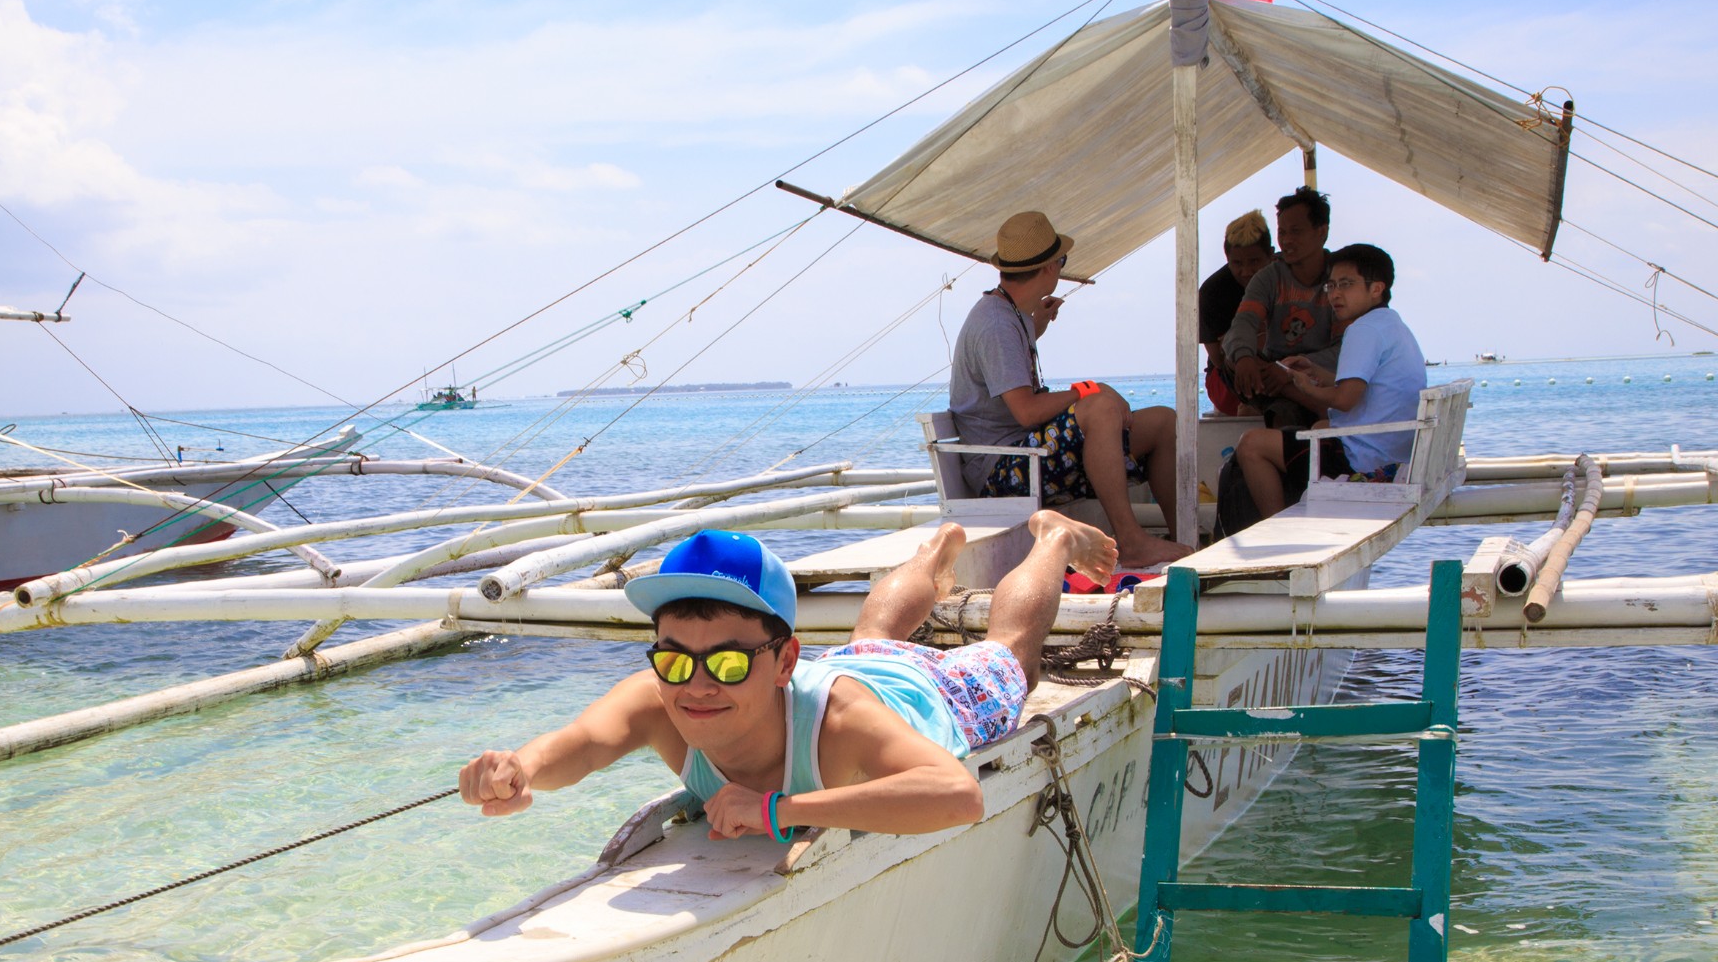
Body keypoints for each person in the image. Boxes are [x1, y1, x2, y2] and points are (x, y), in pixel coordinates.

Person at [458, 514, 1119, 840]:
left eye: (725, 661)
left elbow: (956, 795)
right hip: (854, 667)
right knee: (871, 639)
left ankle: (1052, 539)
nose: (695, 686)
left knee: (1010, 655)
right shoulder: (659, 701)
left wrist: (778, 810)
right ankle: (931, 554)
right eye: (674, 659)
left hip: (925, 696)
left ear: (783, 661)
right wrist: (515, 767)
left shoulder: (838, 722)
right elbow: (578, 746)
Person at [948, 210, 1189, 568]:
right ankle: (1132, 542)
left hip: (1025, 455)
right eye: (1061, 261)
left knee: (1163, 422)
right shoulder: (996, 324)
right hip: (1003, 470)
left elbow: (1012, 364)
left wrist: (1035, 325)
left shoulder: (1010, 315)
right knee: (1100, 406)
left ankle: (1180, 536)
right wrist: (1086, 390)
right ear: (1048, 268)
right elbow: (1026, 412)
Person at [1231, 244, 1427, 519]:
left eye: (1346, 285)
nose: (1335, 294)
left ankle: (1274, 529)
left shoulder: (1363, 330)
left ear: (1376, 288)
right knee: (1320, 425)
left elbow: (1345, 400)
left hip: (1366, 462)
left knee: (1251, 444)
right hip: (1393, 451)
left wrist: (1302, 385)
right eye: (1331, 285)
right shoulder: (1391, 324)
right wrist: (1314, 371)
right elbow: (1359, 386)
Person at [1220, 185, 1339, 431]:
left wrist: (1290, 371)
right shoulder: (1269, 277)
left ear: (1322, 232)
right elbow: (1243, 323)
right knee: (1236, 360)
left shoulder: (1340, 276)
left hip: (1321, 372)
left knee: (1284, 409)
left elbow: (1346, 349)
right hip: (1272, 373)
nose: (1286, 240)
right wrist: (1244, 357)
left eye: (1295, 231)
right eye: (1282, 232)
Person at [1199, 211, 1275, 416]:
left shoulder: (1287, 277)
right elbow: (1219, 360)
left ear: (1271, 254)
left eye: (1254, 261)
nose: (1246, 271)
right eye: (1238, 263)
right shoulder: (1212, 291)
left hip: (1285, 368)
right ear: (1227, 259)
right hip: (1229, 377)